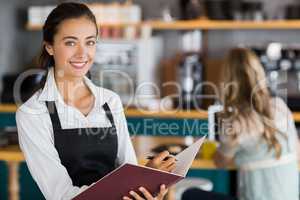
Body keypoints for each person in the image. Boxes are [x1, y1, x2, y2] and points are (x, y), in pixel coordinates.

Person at [16, 3, 176, 200]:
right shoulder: (33, 113)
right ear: (49, 46)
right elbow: (61, 195)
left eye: (90, 42)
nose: (82, 53)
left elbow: (128, 169)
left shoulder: (110, 101)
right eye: (70, 43)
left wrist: (146, 183)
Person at [213, 48, 299, 200]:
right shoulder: (280, 105)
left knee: (189, 194)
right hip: (291, 195)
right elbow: (296, 151)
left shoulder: (235, 121)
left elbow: (221, 162)